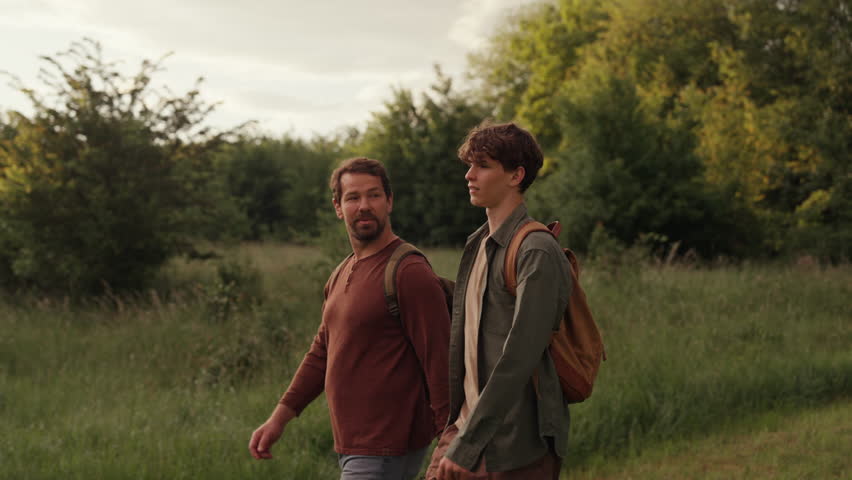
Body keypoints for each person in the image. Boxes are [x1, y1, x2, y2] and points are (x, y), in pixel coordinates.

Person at [249, 157, 451, 480]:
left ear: (389, 201)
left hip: (386, 445)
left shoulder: (408, 271)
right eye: (353, 197)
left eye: (373, 195)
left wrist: (449, 441)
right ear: (338, 207)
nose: (364, 206)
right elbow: (322, 351)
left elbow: (439, 360)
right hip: (353, 443)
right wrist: (279, 418)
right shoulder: (341, 272)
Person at [428, 122, 572, 479]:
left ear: (515, 175)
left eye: (483, 165)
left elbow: (518, 358)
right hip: (462, 429)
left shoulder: (536, 250)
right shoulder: (477, 243)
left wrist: (467, 444)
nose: (469, 175)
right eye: (469, 165)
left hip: (514, 445)